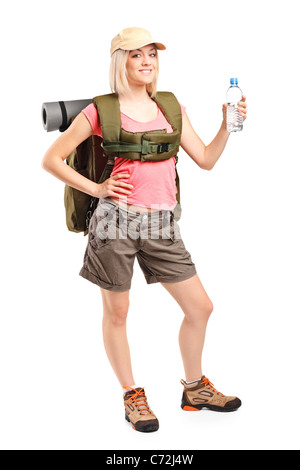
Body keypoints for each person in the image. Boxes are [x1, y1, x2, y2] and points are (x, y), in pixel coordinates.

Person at [41, 27, 247, 433]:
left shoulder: (170, 107)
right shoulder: (101, 110)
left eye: (151, 54)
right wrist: (98, 188)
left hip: (162, 221)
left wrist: (227, 125)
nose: (146, 61)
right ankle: (132, 394)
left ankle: (195, 389)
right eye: (136, 55)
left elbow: (205, 159)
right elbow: (52, 159)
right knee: (118, 313)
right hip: (114, 221)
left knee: (200, 307)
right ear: (121, 61)